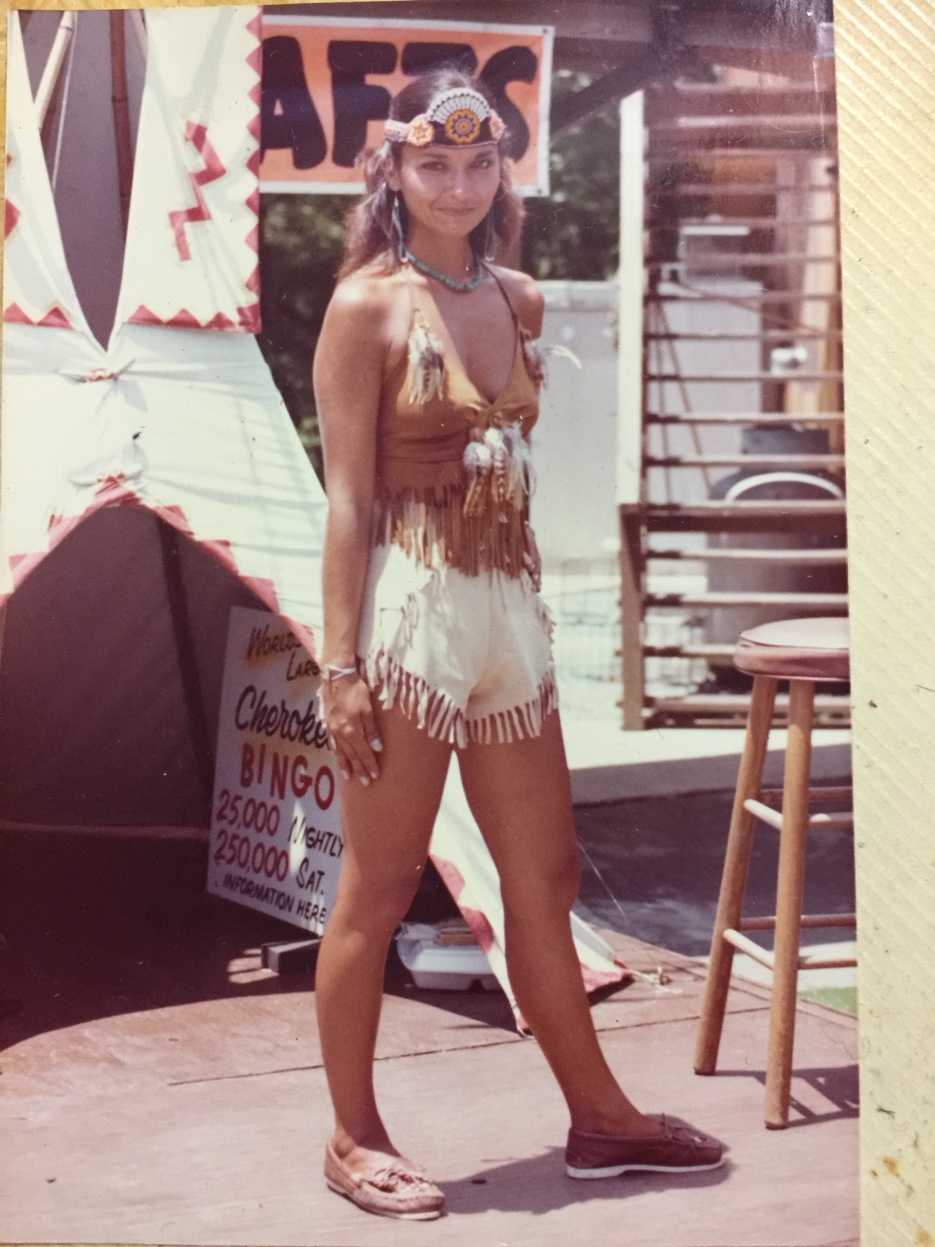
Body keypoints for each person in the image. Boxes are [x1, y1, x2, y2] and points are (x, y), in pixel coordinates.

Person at [312, 68, 724, 1222]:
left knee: (539, 881)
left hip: (509, 619)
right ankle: (352, 1134)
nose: (455, 182)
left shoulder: (524, 297)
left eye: (477, 161)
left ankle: (598, 1117)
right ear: (394, 169)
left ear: (503, 172)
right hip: (408, 620)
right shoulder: (368, 307)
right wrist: (338, 668)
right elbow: (345, 500)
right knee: (379, 885)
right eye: (432, 162)